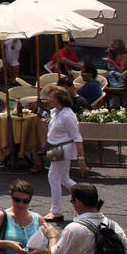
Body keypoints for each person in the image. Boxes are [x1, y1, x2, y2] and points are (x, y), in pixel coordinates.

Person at [40, 83, 86, 222]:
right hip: (55, 147)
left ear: (59, 99)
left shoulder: (68, 115)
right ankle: (86, 196)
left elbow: (77, 137)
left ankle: (56, 211)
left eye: (52, 98)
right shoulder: (55, 112)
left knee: (53, 176)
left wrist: (81, 158)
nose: (49, 100)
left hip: (63, 149)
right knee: (63, 178)